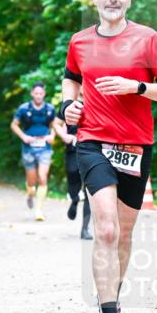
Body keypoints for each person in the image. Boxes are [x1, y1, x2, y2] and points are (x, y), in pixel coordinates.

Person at [60, 0, 157, 313]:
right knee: (107, 230)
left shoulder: (147, 40)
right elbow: (71, 78)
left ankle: (111, 304)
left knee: (125, 235)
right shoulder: (79, 41)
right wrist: (68, 108)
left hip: (136, 145)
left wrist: (138, 87)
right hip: (93, 141)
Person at [11, 82, 56, 221]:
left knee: (42, 177)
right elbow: (14, 124)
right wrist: (24, 136)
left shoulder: (50, 108)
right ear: (32, 94)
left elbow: (55, 125)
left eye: (40, 93)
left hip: (44, 148)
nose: (38, 96)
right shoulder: (24, 108)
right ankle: (30, 194)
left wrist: (52, 135)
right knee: (32, 182)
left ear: (44, 94)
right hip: (29, 148)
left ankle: (38, 210)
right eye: (36, 93)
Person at [54, 99, 92, 240]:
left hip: (93, 149)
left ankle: (85, 229)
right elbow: (57, 123)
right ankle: (74, 199)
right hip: (73, 148)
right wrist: (64, 136)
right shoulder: (70, 102)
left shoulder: (98, 100)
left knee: (90, 190)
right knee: (72, 177)